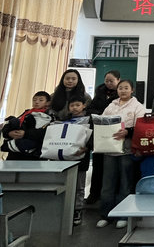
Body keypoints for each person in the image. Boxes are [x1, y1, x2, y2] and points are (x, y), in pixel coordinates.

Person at [96, 79, 146, 229]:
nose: (123, 91)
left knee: (125, 184)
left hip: (126, 150)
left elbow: (141, 127)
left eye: (126, 88)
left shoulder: (137, 106)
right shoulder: (111, 105)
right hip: (109, 149)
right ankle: (106, 215)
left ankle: (123, 215)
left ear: (132, 90)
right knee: (107, 184)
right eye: (120, 88)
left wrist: (128, 132)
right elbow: (102, 121)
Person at [86, 69, 120, 205]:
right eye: (107, 81)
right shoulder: (99, 93)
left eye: (111, 81)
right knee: (97, 165)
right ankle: (94, 193)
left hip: (114, 132)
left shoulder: (120, 94)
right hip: (99, 132)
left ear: (118, 80)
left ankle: (111, 195)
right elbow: (90, 109)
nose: (109, 83)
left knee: (112, 167)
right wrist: (101, 115)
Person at [65, 96, 92, 226]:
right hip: (65, 157)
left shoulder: (89, 120)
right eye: (72, 106)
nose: (74, 108)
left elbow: (93, 137)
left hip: (82, 157)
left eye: (77, 105)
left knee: (79, 186)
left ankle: (78, 209)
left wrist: (87, 148)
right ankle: (66, 209)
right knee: (66, 184)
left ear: (83, 105)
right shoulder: (64, 120)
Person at [1, 91, 52, 160]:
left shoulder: (49, 116)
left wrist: (25, 134)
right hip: (15, 152)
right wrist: (9, 133)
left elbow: (43, 133)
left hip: (33, 154)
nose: (36, 102)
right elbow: (11, 126)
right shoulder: (27, 112)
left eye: (41, 100)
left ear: (48, 103)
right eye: (34, 100)